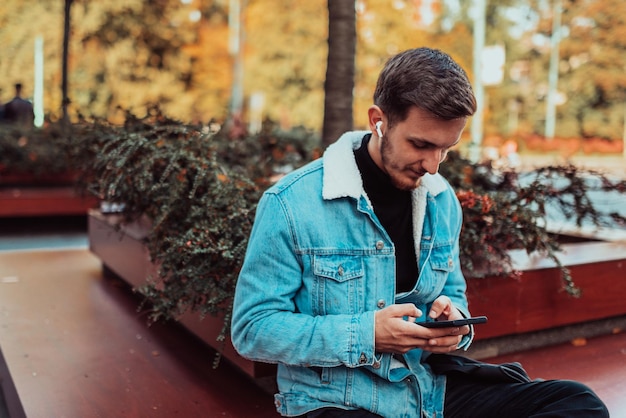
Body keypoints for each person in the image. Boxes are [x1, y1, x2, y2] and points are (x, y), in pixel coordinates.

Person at [231, 47, 609, 417]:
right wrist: (367, 334)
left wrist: (453, 320)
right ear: (379, 120)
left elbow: (451, 292)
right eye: (421, 144)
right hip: (339, 401)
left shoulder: (441, 200)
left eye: (446, 149)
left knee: (579, 402)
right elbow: (253, 328)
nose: (432, 166)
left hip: (426, 391)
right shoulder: (291, 203)